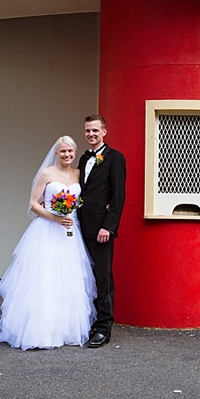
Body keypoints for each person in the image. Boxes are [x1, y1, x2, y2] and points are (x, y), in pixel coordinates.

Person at [0, 136, 96, 350]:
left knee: (69, 279)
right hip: (47, 229)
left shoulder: (78, 174)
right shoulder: (47, 174)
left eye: (70, 152)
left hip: (71, 231)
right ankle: (39, 331)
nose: (66, 155)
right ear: (56, 153)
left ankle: (66, 329)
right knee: (45, 278)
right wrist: (55, 217)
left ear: (75, 153)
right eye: (63, 151)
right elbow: (33, 204)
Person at [77, 115, 126, 348]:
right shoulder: (83, 158)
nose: (91, 134)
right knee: (84, 275)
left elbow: (118, 197)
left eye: (95, 130)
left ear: (104, 132)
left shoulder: (115, 158)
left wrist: (108, 225)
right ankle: (87, 320)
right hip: (79, 226)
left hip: (100, 229)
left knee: (103, 277)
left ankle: (104, 326)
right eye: (88, 131)